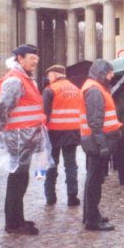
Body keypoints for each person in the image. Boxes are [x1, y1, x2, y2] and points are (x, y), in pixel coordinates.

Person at [0, 44, 49, 235]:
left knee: (21, 178)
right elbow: (2, 108)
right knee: (17, 179)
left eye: (36, 59)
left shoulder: (25, 79)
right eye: (31, 58)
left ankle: (18, 218)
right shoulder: (15, 80)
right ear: (20, 59)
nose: (35, 62)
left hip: (26, 137)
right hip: (18, 137)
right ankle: (13, 224)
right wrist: (3, 129)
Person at [80, 59, 121, 231]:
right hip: (97, 141)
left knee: (93, 180)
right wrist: (103, 144)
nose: (112, 75)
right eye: (110, 72)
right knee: (94, 181)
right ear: (102, 72)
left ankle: (91, 214)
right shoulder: (95, 90)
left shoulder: (95, 88)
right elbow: (95, 122)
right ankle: (91, 219)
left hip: (95, 140)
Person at [42, 64, 82, 207]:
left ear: (53, 75)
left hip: (54, 133)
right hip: (73, 131)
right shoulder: (76, 89)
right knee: (71, 165)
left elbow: (44, 114)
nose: (48, 79)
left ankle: (50, 196)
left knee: (52, 164)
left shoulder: (50, 90)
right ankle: (72, 197)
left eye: (49, 76)